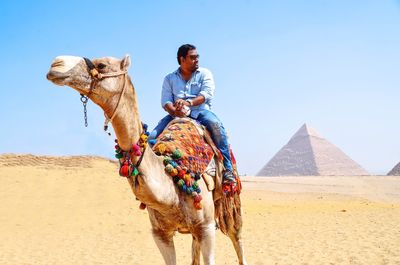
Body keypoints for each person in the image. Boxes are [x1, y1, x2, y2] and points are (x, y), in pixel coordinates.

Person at [149, 44, 236, 185]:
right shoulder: (169, 79)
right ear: (182, 59)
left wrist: (188, 103)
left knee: (216, 126)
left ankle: (227, 169)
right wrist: (175, 111)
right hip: (175, 115)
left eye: (197, 57)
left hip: (200, 111)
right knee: (151, 137)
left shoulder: (204, 74)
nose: (197, 60)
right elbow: (165, 101)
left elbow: (206, 94)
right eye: (193, 57)